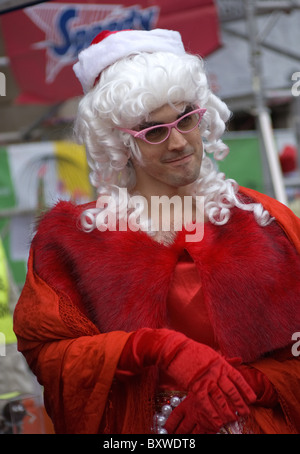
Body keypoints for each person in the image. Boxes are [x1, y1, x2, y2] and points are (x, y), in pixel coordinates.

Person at [14, 28, 300, 435]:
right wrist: (152, 349)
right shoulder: (75, 241)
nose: (179, 142)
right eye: (153, 131)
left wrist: (253, 385)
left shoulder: (263, 221)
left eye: (187, 118)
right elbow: (50, 354)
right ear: (120, 143)